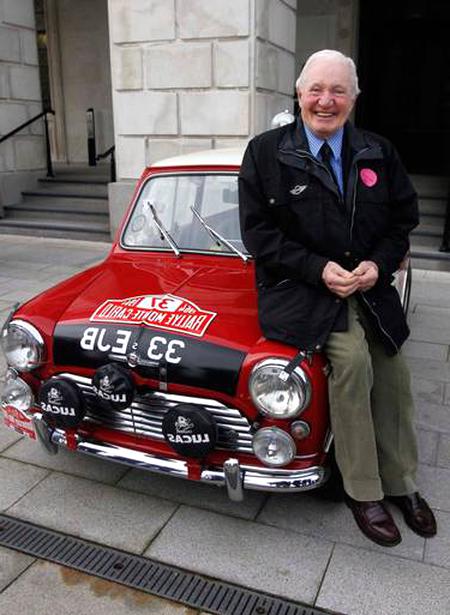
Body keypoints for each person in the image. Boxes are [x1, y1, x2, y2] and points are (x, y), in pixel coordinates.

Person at [238, 49, 437, 547]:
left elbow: (401, 222)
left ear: (354, 97)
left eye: (338, 90)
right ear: (299, 93)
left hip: (367, 288)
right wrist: (317, 268)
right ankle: (363, 490)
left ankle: (402, 482)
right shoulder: (265, 153)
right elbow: (258, 235)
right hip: (299, 290)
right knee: (352, 363)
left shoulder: (377, 151)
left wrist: (378, 265)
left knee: (394, 368)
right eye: (316, 90)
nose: (326, 101)